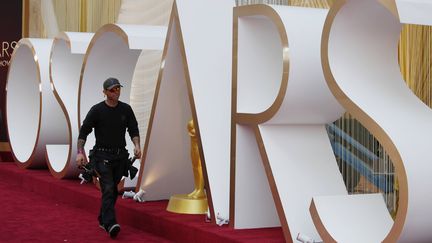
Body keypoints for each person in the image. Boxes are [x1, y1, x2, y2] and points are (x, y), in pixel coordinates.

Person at [76, 77, 141, 238]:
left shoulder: (126, 109)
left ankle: (102, 218)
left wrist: (137, 145)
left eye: (118, 88)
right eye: (112, 89)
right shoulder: (97, 110)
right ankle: (111, 223)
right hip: (101, 156)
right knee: (109, 188)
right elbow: (84, 132)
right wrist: (79, 153)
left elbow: (133, 129)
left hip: (120, 156)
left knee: (111, 189)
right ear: (104, 92)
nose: (116, 92)